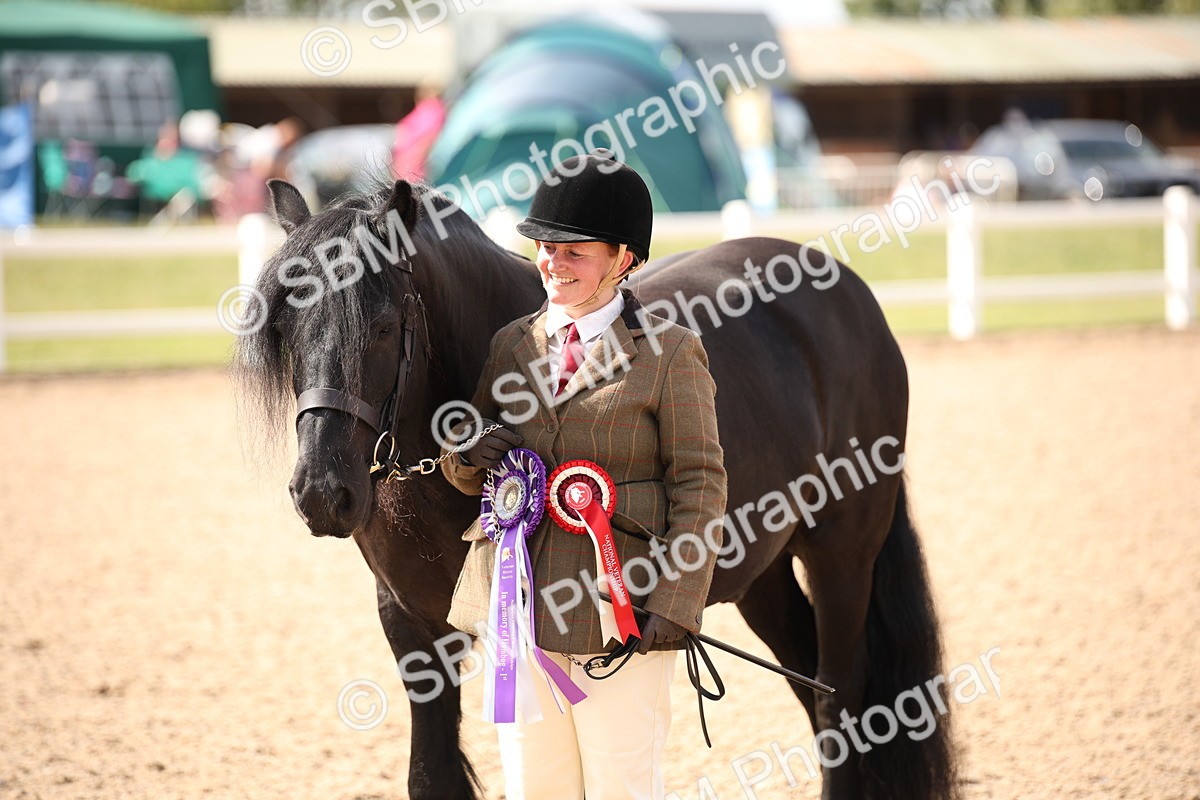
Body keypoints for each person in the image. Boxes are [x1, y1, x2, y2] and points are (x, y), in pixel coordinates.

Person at [440, 149, 727, 800]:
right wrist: (467, 453)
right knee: (534, 789)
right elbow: (470, 478)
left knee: (621, 788)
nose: (552, 263)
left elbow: (700, 483)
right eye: (544, 247)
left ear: (624, 259)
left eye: (575, 252)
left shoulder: (671, 353)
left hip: (621, 616)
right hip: (517, 612)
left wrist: (678, 603)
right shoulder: (512, 344)